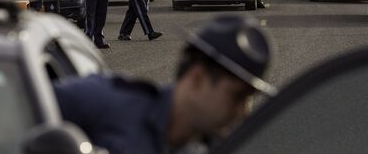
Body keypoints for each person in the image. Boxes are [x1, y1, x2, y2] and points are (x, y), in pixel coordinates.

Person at [55, 15, 275, 154]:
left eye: (249, 99)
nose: (244, 112)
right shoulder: (104, 101)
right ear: (198, 79)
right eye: (237, 97)